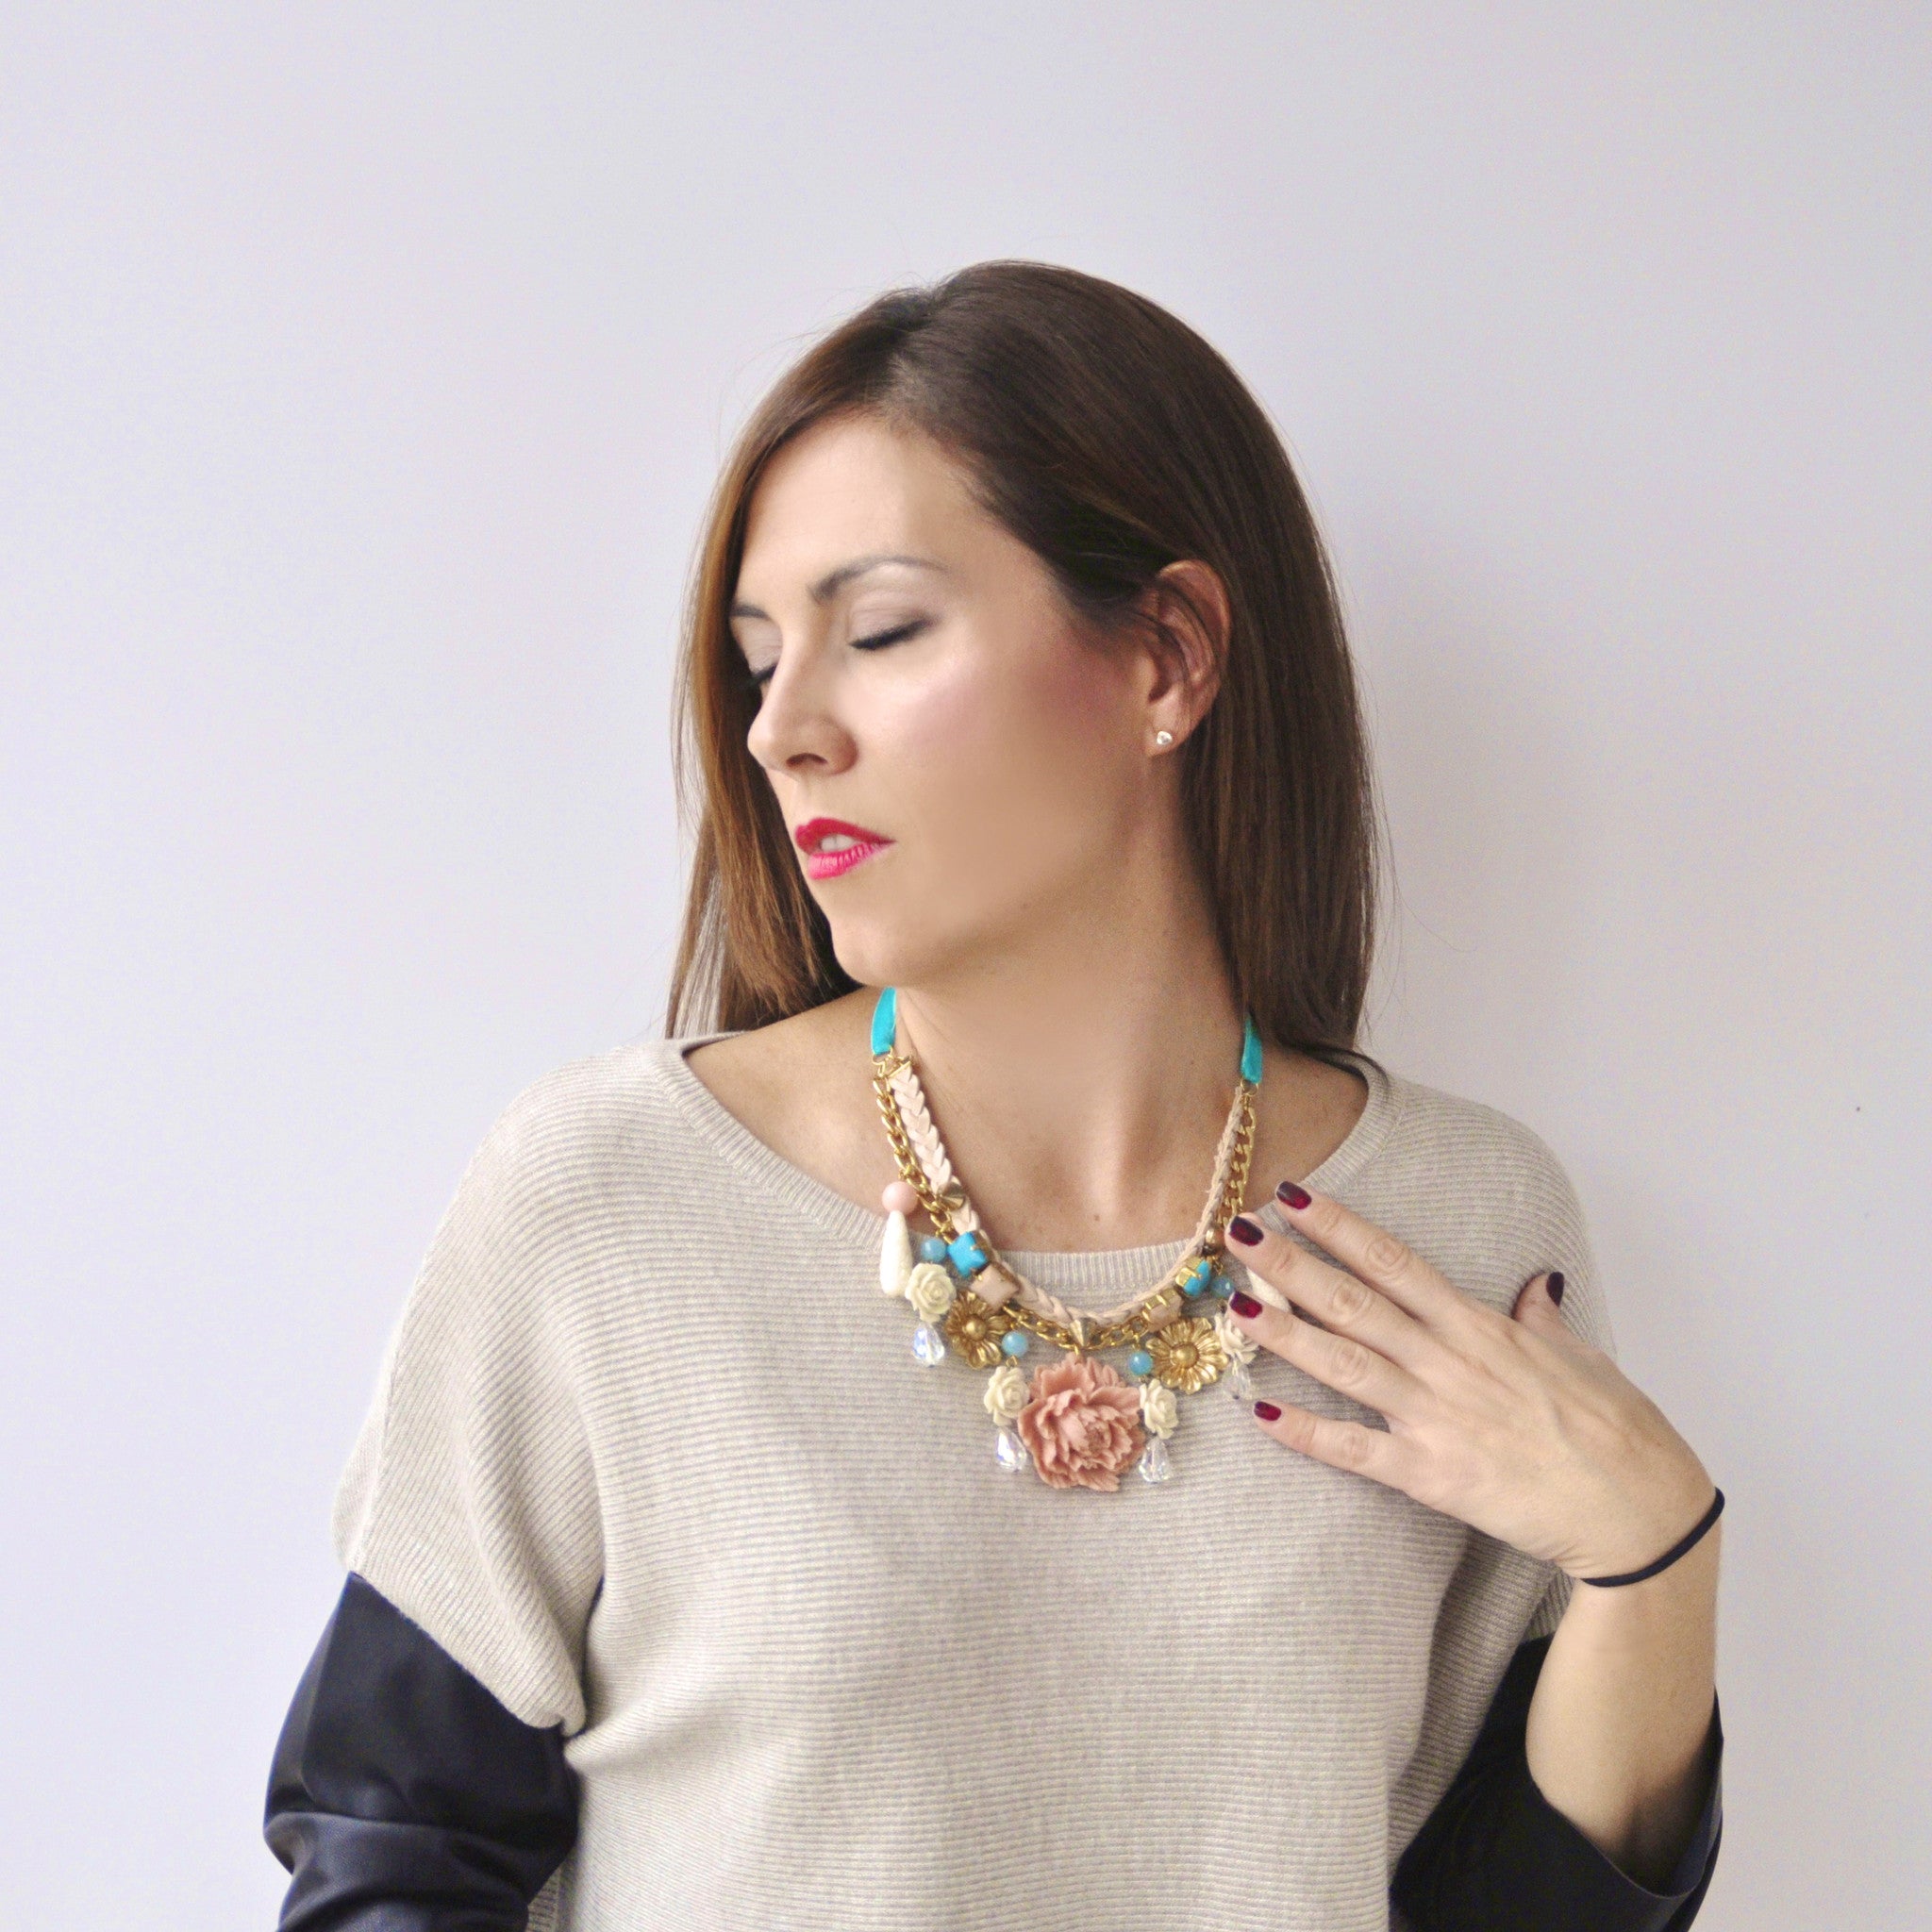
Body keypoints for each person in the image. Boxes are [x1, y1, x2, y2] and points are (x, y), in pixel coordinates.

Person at [264, 260, 1724, 1931]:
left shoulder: (1464, 1228)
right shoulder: (608, 1199)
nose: (781, 731)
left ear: (1167, 658)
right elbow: (393, 1851)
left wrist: (1656, 1554)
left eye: (881, 632)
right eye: (758, 661)